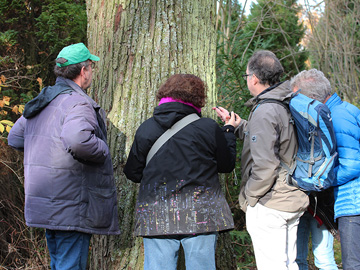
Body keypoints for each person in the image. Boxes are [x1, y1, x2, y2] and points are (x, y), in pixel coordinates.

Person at [8, 43, 120, 270]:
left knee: (60, 265)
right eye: (91, 67)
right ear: (83, 71)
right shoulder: (78, 102)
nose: (91, 73)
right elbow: (78, 141)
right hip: (72, 205)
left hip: (46, 203)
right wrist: (104, 150)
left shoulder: (44, 99)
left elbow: (16, 138)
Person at [123, 74, 240, 270]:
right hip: (201, 215)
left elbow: (133, 173)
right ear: (199, 98)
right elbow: (226, 165)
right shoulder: (208, 128)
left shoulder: (146, 129)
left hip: (156, 214)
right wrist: (228, 130)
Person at [214, 50, 309, 270]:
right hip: (290, 196)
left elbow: (266, 167)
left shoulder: (265, 110)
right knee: (288, 264)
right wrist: (240, 126)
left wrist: (250, 197)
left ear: (254, 78)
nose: (247, 79)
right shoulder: (283, 101)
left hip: (271, 202)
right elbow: (278, 139)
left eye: (247, 76)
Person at [291, 68, 360, 270]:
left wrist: (319, 180)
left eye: (298, 98)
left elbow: (353, 164)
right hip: (352, 202)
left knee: (353, 264)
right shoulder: (346, 109)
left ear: (311, 98)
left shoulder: (335, 117)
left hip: (352, 203)